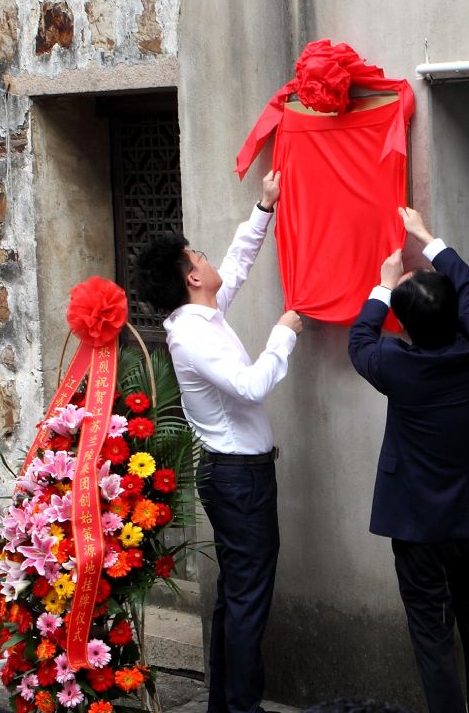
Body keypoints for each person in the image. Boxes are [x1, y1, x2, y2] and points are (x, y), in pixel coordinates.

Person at [134, 169, 302, 713]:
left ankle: (226, 707)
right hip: (238, 479)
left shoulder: (201, 316)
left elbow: (236, 264)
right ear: (191, 277)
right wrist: (284, 333)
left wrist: (264, 208)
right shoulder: (194, 336)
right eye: (199, 256)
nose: (208, 261)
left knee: (236, 596)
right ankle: (242, 708)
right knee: (248, 599)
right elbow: (251, 386)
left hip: (237, 476)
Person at [348, 207, 469, 713]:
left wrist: (384, 285)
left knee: (433, 638)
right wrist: (426, 238)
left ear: (404, 325)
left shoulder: (395, 364)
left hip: (420, 525)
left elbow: (359, 340)